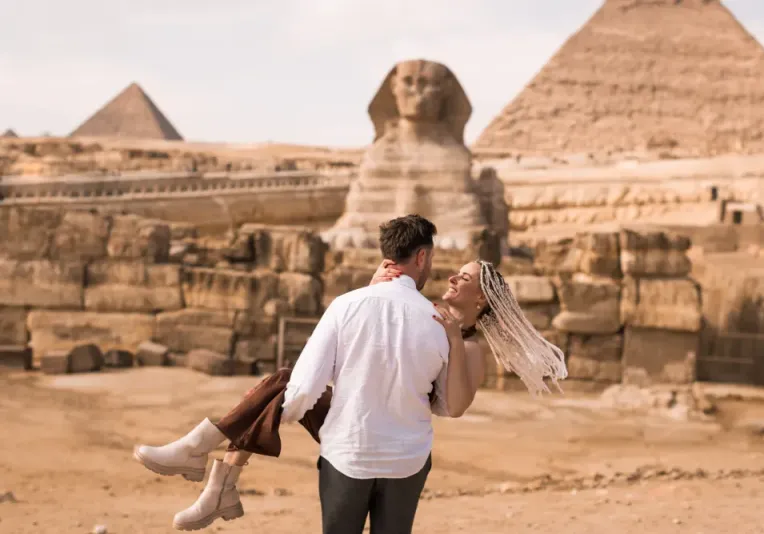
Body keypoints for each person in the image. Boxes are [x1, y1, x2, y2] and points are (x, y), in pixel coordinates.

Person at [134, 216, 568, 533]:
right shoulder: (431, 317)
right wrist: (376, 290)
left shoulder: (463, 343)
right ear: (422, 257)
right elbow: (385, 341)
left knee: (288, 385)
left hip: (370, 442)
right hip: (390, 441)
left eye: (465, 277)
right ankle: (216, 475)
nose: (453, 276)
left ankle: (210, 465)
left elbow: (451, 407)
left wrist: (444, 334)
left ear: (483, 301)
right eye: (454, 270)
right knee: (283, 383)